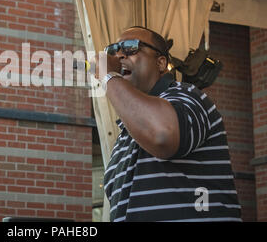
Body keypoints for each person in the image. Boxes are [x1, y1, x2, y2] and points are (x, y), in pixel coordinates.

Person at [98, 26, 241, 222]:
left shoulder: (187, 95)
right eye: (114, 49)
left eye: (131, 47)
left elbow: (162, 134)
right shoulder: (124, 133)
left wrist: (109, 76)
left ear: (161, 62)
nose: (119, 55)